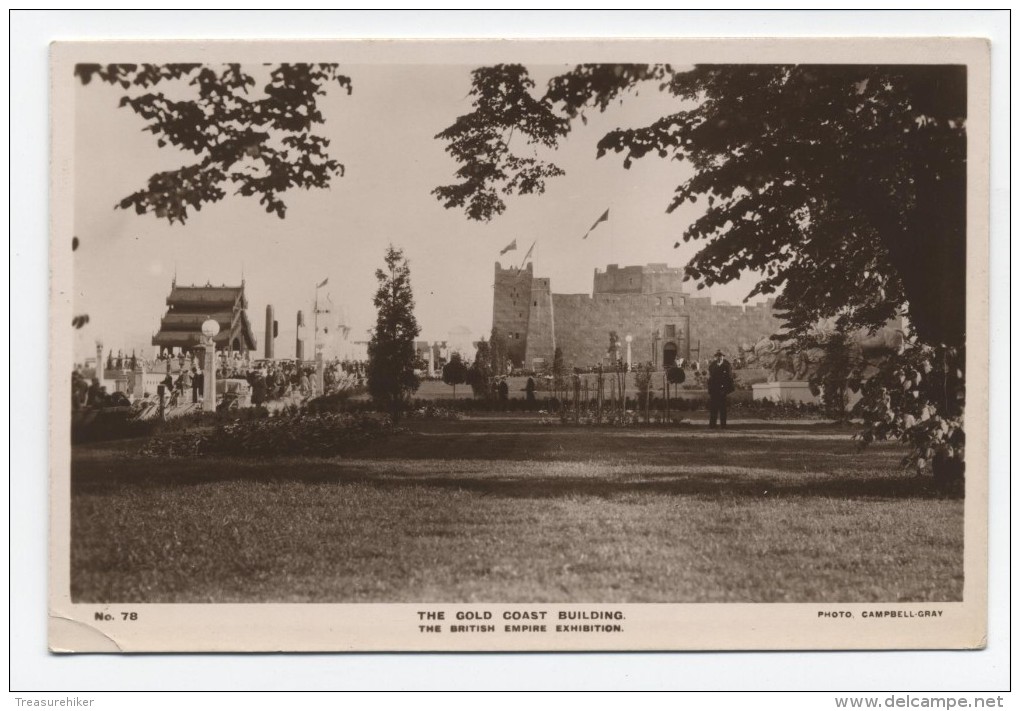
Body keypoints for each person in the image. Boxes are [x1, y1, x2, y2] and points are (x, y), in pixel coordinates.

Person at [707, 349, 734, 429]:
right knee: (713, 408)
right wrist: (710, 389)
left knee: (723, 408)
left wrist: (726, 389)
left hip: (722, 390)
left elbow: (729, 378)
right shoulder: (712, 365)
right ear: (716, 357)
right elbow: (710, 378)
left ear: (723, 356)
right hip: (714, 389)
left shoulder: (727, 365)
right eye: (718, 356)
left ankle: (723, 425)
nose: (719, 357)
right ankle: (712, 425)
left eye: (721, 356)